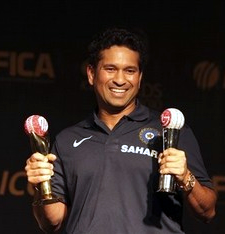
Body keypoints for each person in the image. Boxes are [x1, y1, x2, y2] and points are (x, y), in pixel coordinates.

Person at [25, 27, 217, 234]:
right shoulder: (67, 140)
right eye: (110, 69)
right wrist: (39, 186)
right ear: (91, 73)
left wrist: (185, 176)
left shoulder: (169, 131)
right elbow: (51, 223)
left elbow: (208, 211)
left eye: (130, 71)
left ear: (140, 77)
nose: (120, 80)